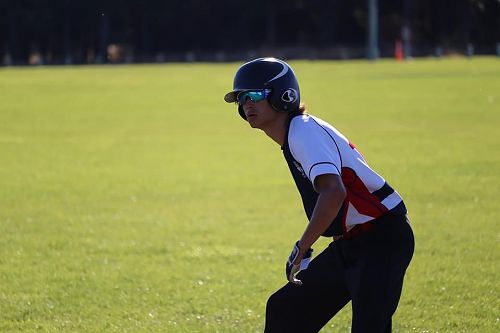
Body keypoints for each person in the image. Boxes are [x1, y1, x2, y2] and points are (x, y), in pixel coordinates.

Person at [224, 57, 414, 333]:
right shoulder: (296, 132)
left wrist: (303, 247)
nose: (246, 104)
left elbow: (333, 191)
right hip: (356, 240)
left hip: (383, 239)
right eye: (241, 98)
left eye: (254, 95)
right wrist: (338, 231)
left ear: (283, 96)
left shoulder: (302, 132)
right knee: (284, 310)